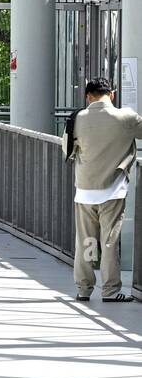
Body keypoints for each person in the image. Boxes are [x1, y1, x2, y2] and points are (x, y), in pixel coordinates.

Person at [62, 77, 142, 303]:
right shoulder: (125, 117)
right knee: (109, 241)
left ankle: (84, 289)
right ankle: (110, 290)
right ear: (112, 94)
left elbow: (66, 147)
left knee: (86, 241)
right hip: (113, 190)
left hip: (85, 189)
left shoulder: (77, 118)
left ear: (88, 96)